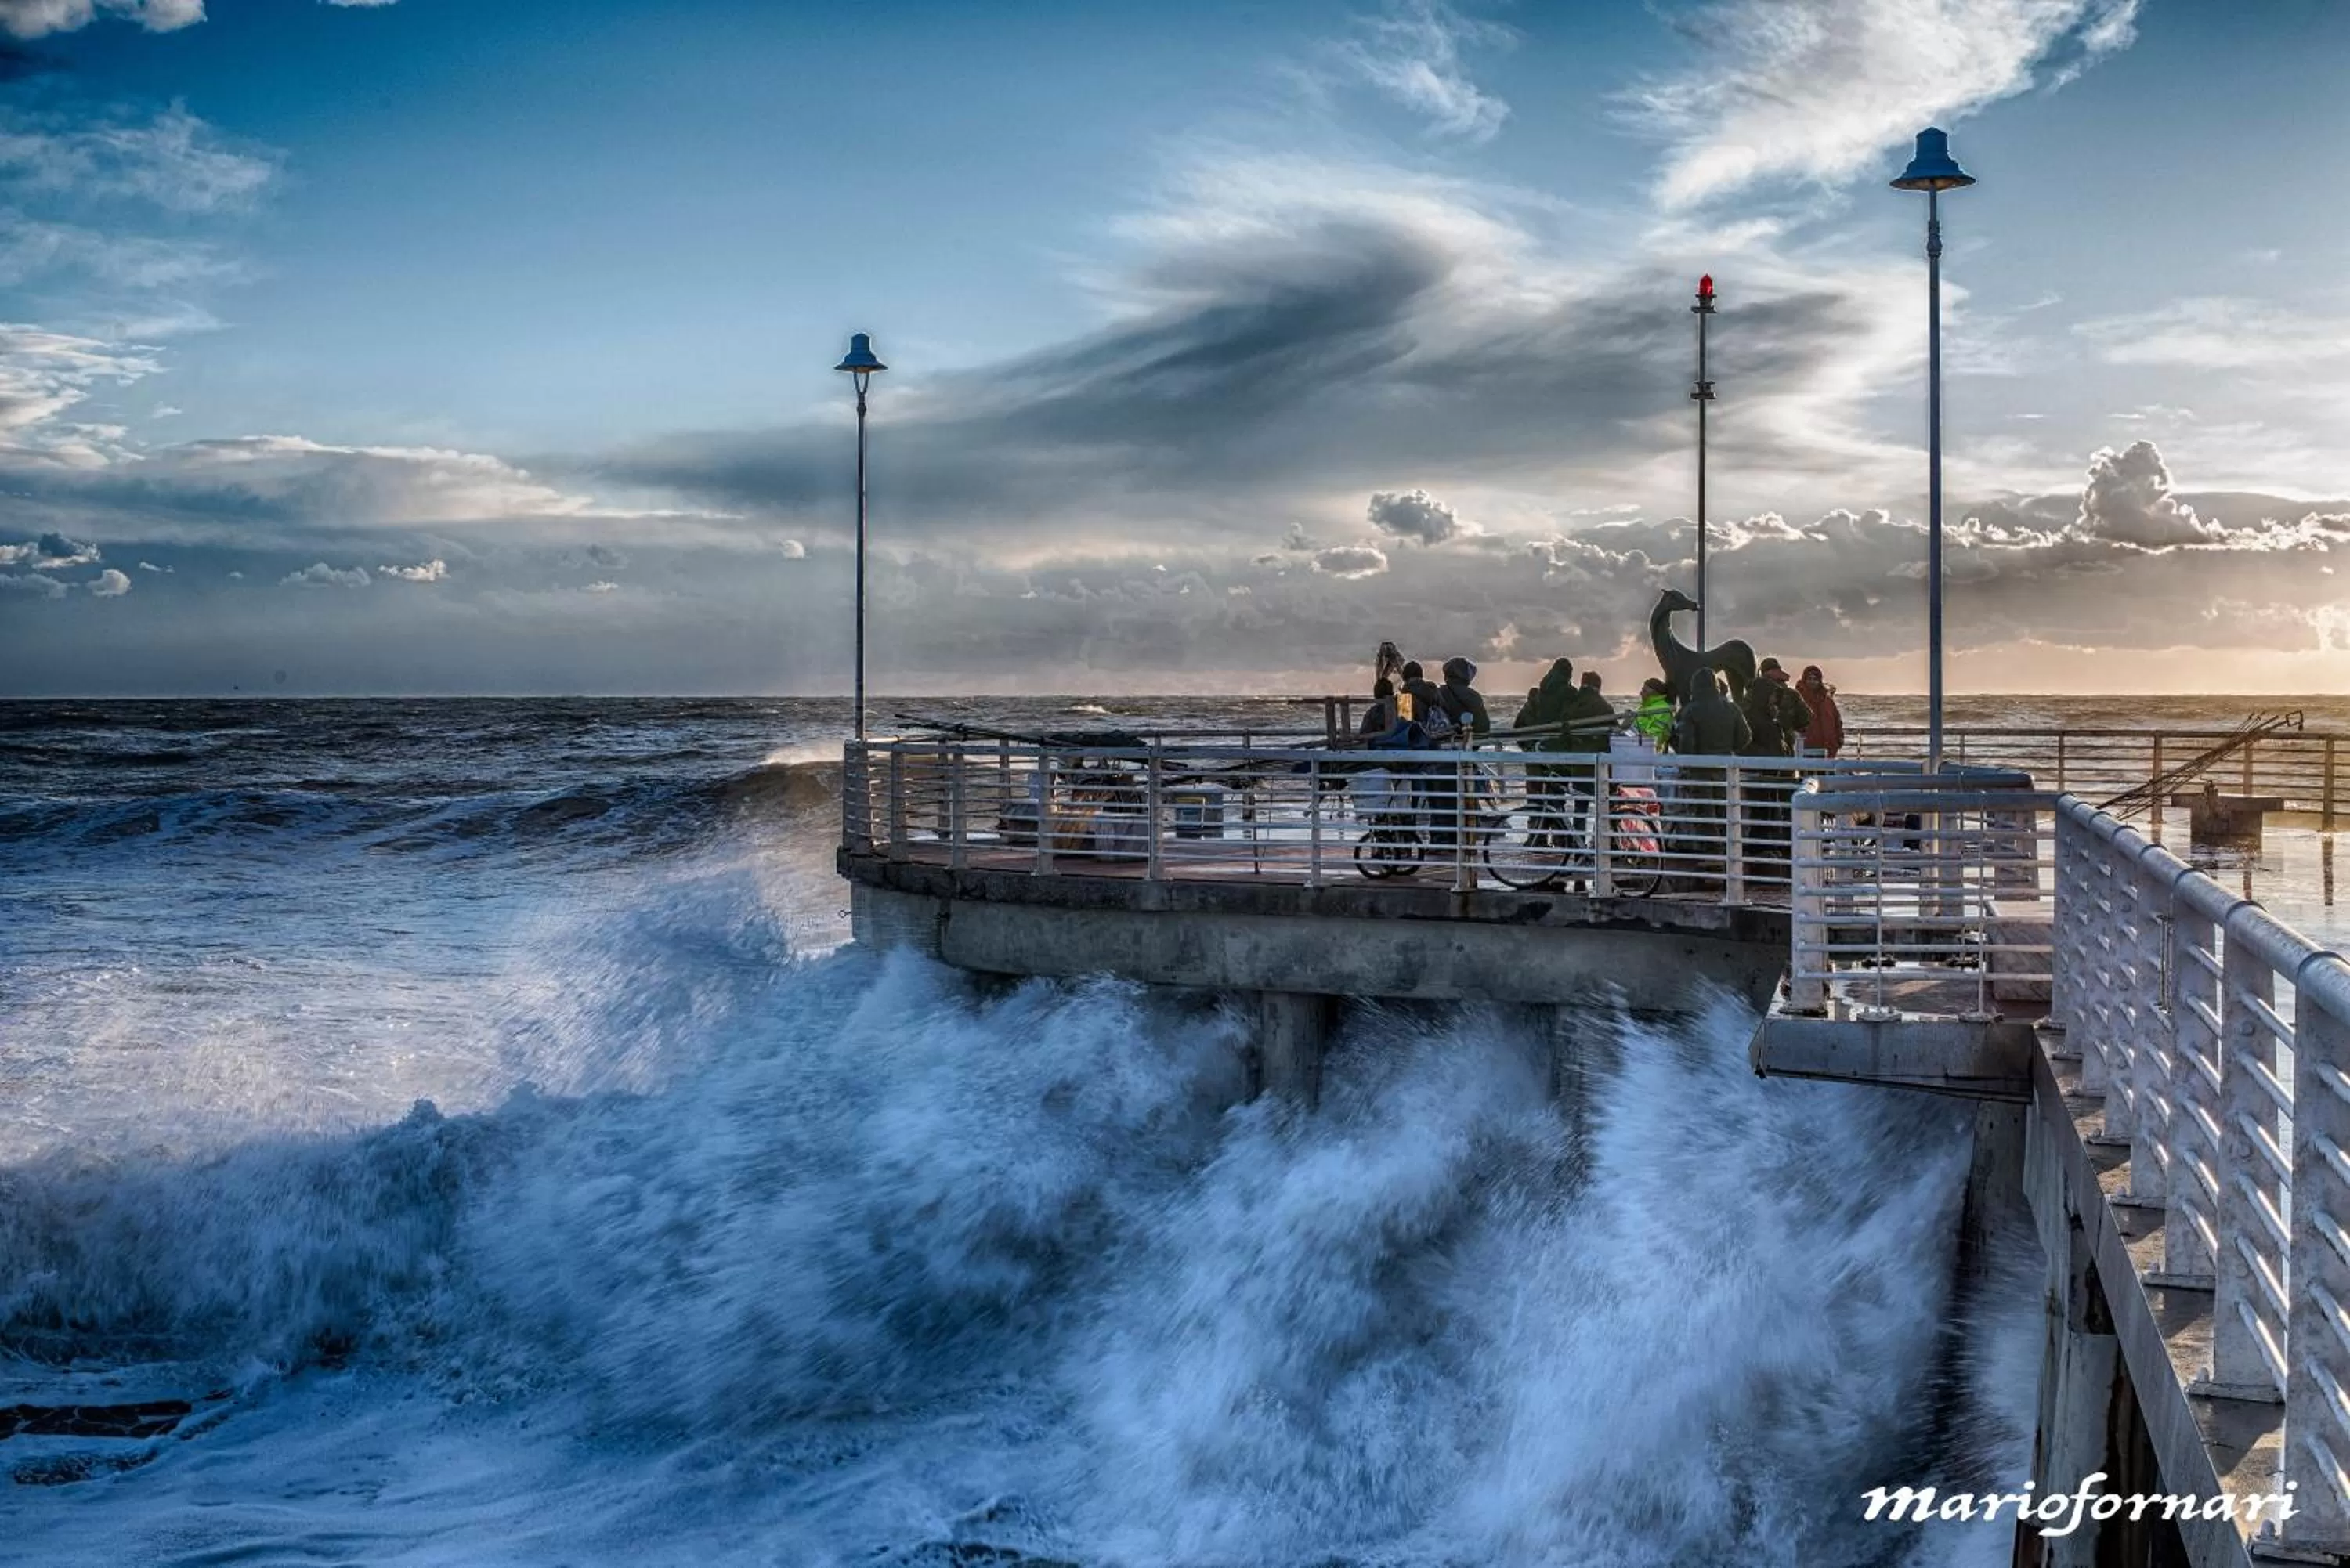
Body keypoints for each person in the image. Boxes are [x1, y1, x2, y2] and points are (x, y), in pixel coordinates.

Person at [1671, 670, 1750, 886]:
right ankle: (1728, 853)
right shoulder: (1731, 708)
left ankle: (1713, 855)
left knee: (1704, 812)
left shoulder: (1691, 711)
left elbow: (1686, 746)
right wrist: (1730, 748)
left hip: (1700, 770)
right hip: (1726, 767)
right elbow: (1745, 737)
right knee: (1726, 810)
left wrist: (1682, 755)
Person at [1798, 664, 1844, 757]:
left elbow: (1837, 720)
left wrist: (1840, 737)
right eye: (1809, 679)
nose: (1812, 682)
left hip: (1828, 748)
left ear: (1820, 681)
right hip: (1805, 748)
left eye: (1815, 679)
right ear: (1804, 680)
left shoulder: (1828, 701)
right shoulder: (1798, 699)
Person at [1633, 677, 1673, 750]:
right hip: (1636, 744)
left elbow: (1656, 735)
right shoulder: (1643, 708)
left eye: (1644, 691)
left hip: (1651, 750)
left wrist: (1639, 734)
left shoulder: (1663, 709)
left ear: (1655, 692)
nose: (1641, 693)